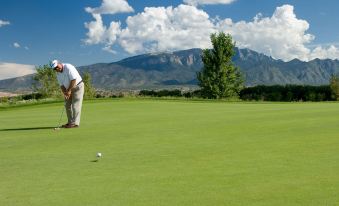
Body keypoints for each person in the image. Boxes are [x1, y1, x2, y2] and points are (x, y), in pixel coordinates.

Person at [51, 60, 84, 128]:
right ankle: (70, 122)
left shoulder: (68, 67)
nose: (56, 69)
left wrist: (69, 91)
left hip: (77, 86)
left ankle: (75, 123)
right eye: (54, 68)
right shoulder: (58, 74)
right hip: (68, 89)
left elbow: (73, 80)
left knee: (75, 105)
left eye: (57, 67)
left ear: (59, 63)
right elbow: (62, 85)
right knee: (67, 105)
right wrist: (65, 93)